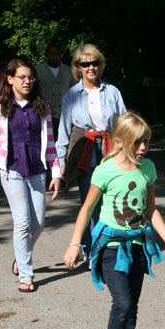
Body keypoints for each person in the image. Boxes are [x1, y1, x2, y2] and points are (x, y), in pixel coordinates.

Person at [63, 112, 165, 329]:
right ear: (118, 142)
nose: (143, 148)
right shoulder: (105, 170)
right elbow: (87, 209)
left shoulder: (148, 168)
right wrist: (74, 244)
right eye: (137, 143)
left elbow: (151, 210)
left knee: (132, 307)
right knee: (123, 303)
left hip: (138, 245)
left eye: (146, 143)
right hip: (111, 247)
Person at [0, 57, 62, 293]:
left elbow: (51, 143)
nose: (27, 81)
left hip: (36, 170)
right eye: (22, 77)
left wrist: (55, 172)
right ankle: (26, 274)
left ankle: (20, 256)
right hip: (11, 170)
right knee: (23, 222)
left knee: (39, 224)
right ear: (10, 79)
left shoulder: (42, 106)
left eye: (30, 77)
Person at [57, 43, 127, 262]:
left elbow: (124, 123)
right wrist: (60, 163)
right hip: (85, 151)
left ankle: (107, 246)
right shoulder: (71, 95)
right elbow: (64, 131)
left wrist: (127, 151)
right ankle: (91, 249)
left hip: (110, 149)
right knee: (89, 201)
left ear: (100, 64)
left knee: (110, 200)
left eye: (94, 62)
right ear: (78, 67)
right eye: (85, 64)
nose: (90, 68)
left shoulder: (113, 91)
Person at [35, 44, 76, 140]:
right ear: (46, 55)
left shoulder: (69, 71)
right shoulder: (37, 70)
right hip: (44, 113)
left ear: (60, 55)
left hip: (64, 113)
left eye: (57, 54)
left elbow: (75, 92)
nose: (54, 56)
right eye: (51, 54)